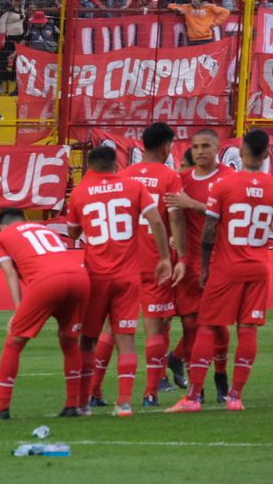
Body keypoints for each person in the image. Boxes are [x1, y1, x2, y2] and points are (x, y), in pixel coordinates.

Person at [166, 130, 273, 413]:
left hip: (226, 265)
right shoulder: (271, 186)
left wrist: (202, 265)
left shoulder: (225, 184)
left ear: (242, 153)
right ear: (265, 155)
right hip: (260, 265)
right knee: (248, 329)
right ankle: (235, 398)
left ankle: (192, 398)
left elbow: (210, 230)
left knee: (208, 326)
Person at [67, 146, 172, 417]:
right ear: (116, 166)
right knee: (125, 339)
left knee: (88, 340)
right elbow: (157, 221)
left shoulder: (79, 192)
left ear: (90, 167)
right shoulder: (133, 187)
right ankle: (124, 403)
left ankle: (83, 402)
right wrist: (164, 258)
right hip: (128, 276)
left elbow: (73, 230)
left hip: (96, 277)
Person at [0, 209, 90, 419]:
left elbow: (10, 272)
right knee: (69, 341)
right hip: (79, 277)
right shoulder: (44, 229)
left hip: (47, 281)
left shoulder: (2, 236)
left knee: (14, 341)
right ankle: (72, 405)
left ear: (2, 227)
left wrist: (18, 309)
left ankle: (2, 408)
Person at [116, 123, 187, 407]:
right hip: (157, 263)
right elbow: (175, 218)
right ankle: (150, 392)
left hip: (123, 263)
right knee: (158, 328)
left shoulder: (122, 176)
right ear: (167, 147)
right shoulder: (170, 178)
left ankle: (95, 393)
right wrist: (177, 256)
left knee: (116, 329)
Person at [164, 130, 234, 401]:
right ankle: (198, 386)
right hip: (189, 262)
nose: (200, 151)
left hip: (219, 260)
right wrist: (173, 235)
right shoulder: (181, 180)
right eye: (195, 146)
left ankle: (221, 377)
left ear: (217, 148)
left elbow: (229, 215)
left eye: (206, 146)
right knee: (192, 325)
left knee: (217, 324)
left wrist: (192, 204)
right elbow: (171, 213)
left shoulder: (229, 179)